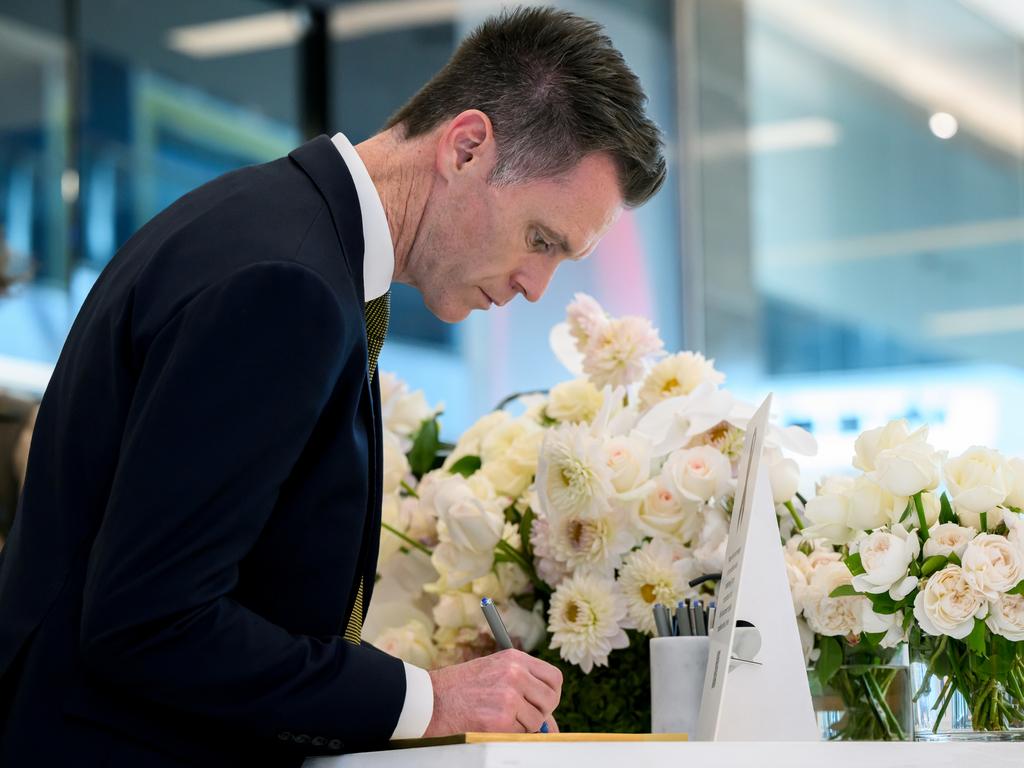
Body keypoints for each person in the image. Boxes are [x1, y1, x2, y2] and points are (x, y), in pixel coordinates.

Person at [0, 6, 665, 767]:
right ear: (468, 146)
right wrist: (429, 699)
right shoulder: (288, 283)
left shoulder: (272, 229)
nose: (537, 286)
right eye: (540, 240)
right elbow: (152, 621)